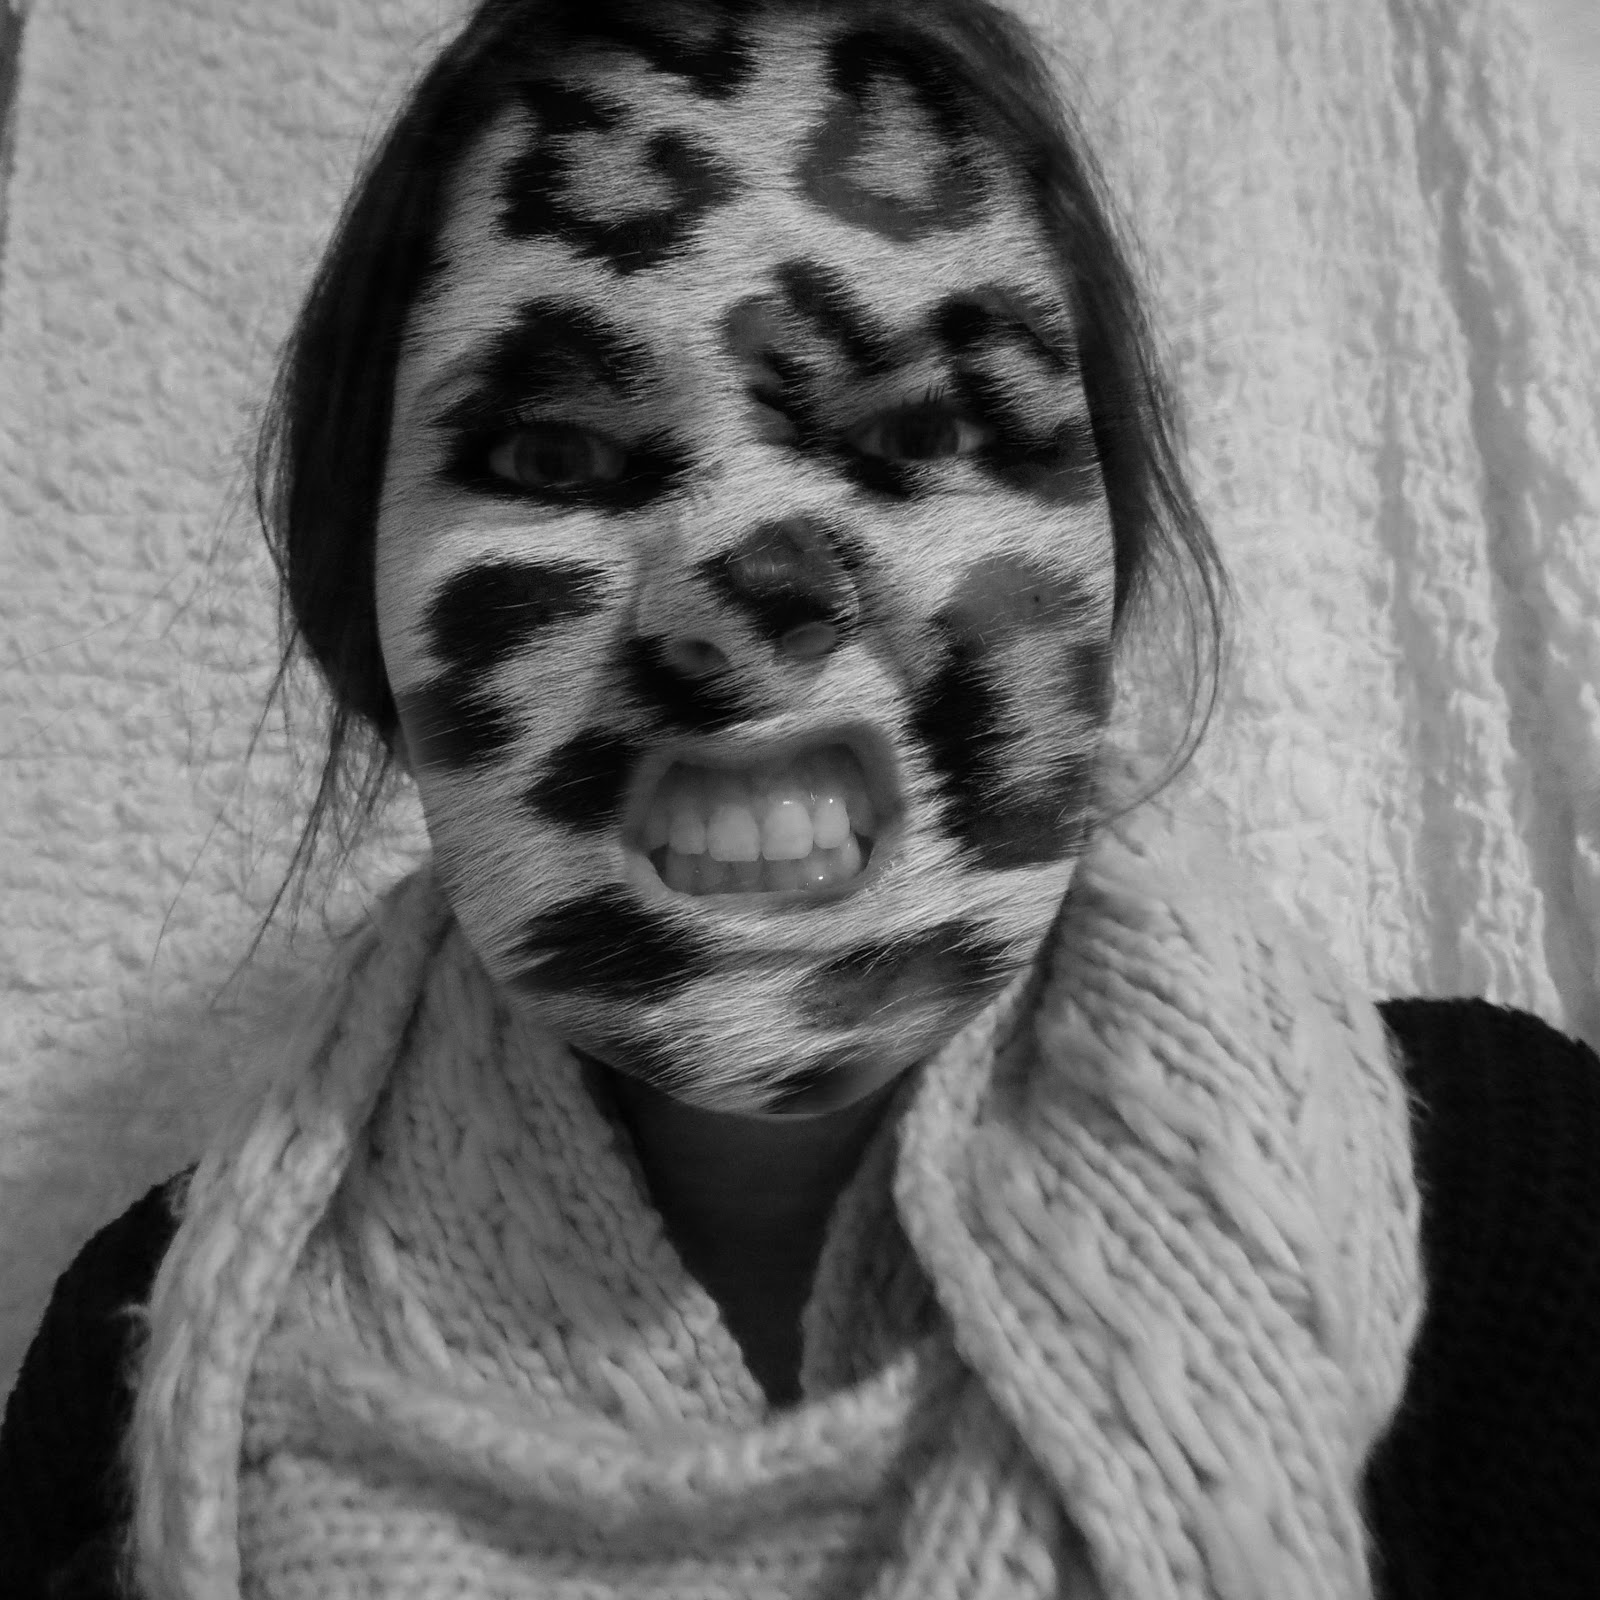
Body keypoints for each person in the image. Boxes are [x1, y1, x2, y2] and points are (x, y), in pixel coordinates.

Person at [4, 0, 1598, 1595]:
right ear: (367, 614)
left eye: (919, 431)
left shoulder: (1527, 1214)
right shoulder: (121, 1376)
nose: (740, 589)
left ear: (1108, 561)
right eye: (556, 457)